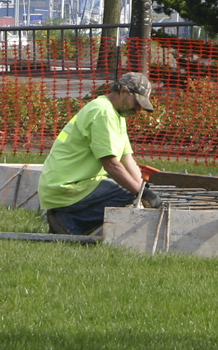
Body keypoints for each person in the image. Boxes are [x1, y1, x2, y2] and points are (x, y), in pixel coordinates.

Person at [37, 71, 162, 235]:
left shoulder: (116, 115)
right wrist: (141, 192)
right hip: (64, 186)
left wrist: (143, 189)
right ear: (123, 91)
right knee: (126, 192)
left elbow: (126, 158)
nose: (138, 108)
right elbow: (111, 165)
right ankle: (68, 222)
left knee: (131, 189)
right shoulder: (103, 112)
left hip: (76, 183)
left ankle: (68, 217)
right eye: (137, 102)